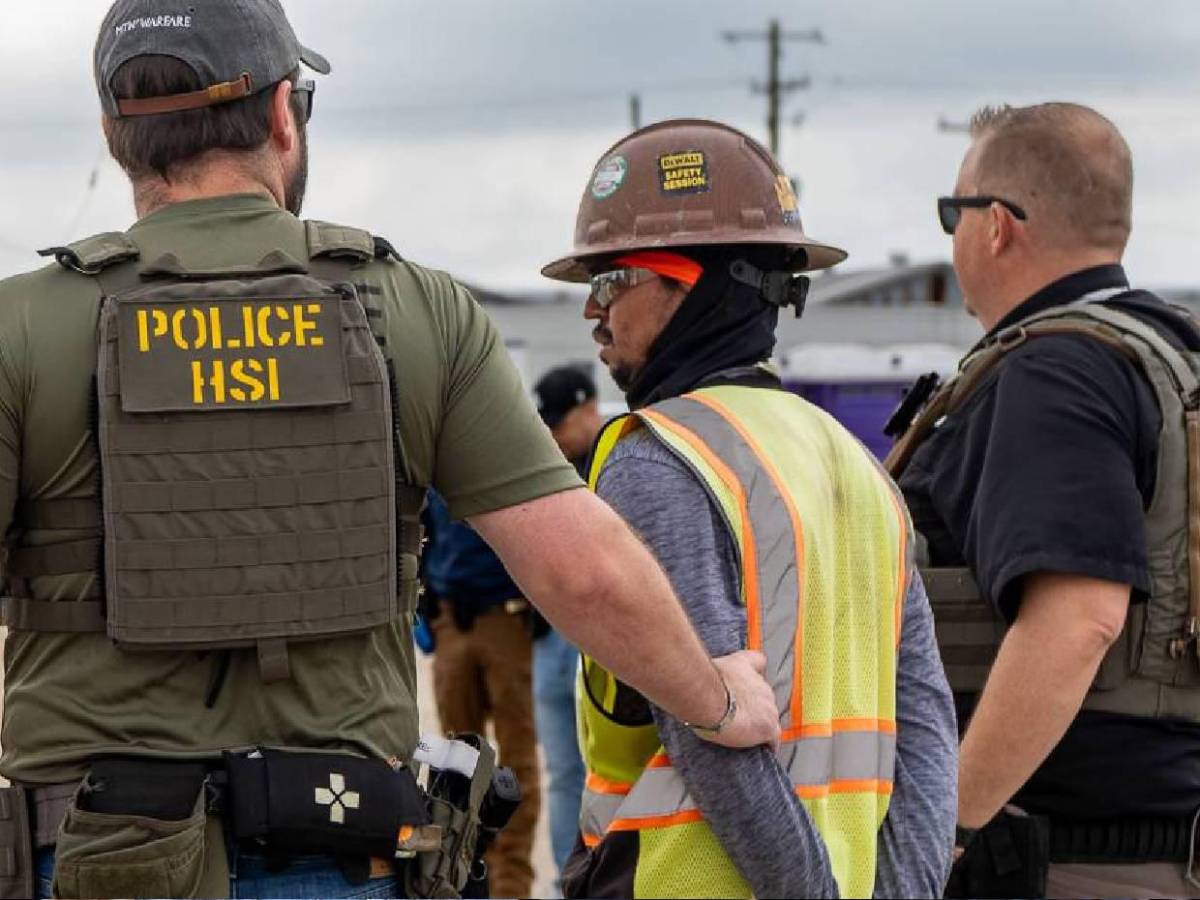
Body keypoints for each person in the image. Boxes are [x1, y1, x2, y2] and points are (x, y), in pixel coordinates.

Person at [0, 6, 782, 899]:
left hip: (93, 861)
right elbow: (581, 569)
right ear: (282, 117)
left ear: (114, 134)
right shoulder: (417, 314)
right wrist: (717, 697)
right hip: (342, 852)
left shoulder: (22, 329)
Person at [540, 118, 958, 899]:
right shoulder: (857, 465)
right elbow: (926, 724)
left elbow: (709, 732)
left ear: (692, 284)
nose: (593, 313)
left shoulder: (657, 457)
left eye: (611, 281)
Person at [886, 102, 1200, 899]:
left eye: (952, 213)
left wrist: (943, 827)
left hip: (1063, 858)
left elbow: (1079, 618)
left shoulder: (1055, 373)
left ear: (996, 226)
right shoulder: (1171, 360)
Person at [421, 489, 541, 899]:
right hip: (451, 619)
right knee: (456, 769)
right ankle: (462, 881)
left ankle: (512, 888)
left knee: (517, 765)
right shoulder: (437, 456)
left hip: (506, 616)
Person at [531, 365, 603, 886]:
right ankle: (569, 883)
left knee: (599, 775)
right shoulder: (555, 463)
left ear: (588, 410)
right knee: (564, 775)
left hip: (594, 640)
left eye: (560, 422)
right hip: (552, 638)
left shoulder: (614, 459)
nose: (553, 434)